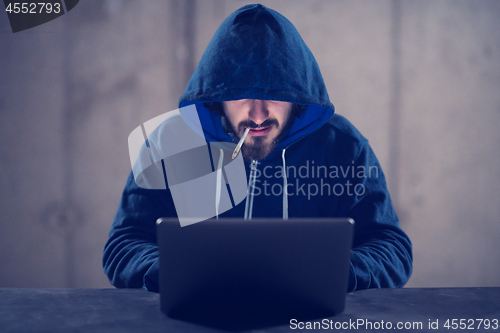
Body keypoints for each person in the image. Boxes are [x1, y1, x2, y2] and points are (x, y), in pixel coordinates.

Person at [103, 4, 412, 293]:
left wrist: (334, 272)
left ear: (298, 96)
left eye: (274, 95)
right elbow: (125, 242)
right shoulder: (168, 145)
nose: (258, 114)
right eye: (240, 96)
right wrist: (173, 271)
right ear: (216, 97)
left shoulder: (344, 147)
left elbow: (390, 246)